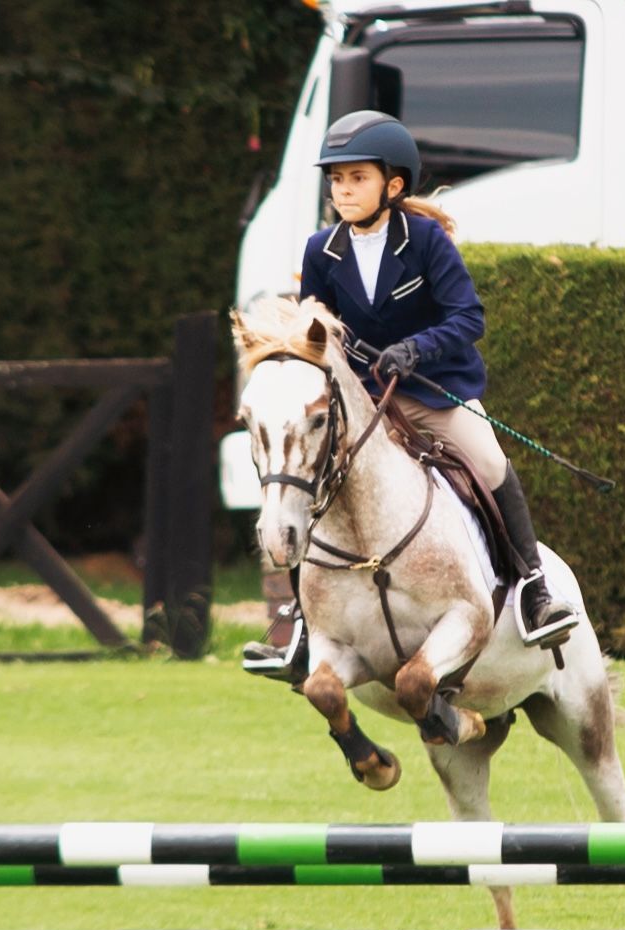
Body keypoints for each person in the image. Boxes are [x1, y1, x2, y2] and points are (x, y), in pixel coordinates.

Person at [243, 109, 578, 685]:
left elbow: (467, 316)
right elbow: (315, 329)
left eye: (356, 179)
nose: (343, 190)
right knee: (313, 485)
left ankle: (533, 588)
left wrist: (415, 350)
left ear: (393, 186)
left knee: (491, 462)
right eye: (337, 180)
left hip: (434, 391)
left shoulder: (422, 240)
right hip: (364, 403)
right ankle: (300, 624)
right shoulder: (321, 250)